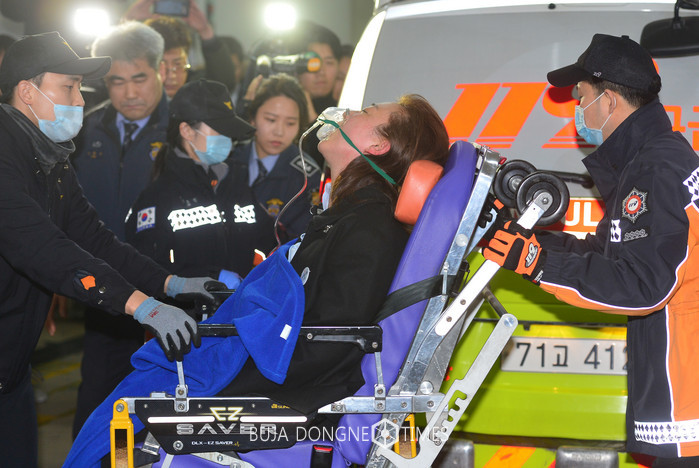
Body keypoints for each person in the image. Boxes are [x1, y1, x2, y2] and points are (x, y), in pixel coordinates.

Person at [64, 93, 451, 466]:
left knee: (125, 418)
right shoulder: (348, 218)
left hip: (284, 388)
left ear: (378, 145)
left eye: (365, 111)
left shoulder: (368, 229)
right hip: (267, 365)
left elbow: (327, 345)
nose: (346, 112)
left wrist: (233, 375)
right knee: (128, 404)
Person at [0, 31, 219, 468]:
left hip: (11, 372)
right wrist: (142, 307)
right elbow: (43, 248)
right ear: (27, 91)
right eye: (69, 86)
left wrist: (170, 284)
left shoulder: (50, 159)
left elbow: (95, 239)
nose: (80, 100)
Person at [483, 34, 699, 467]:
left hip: (686, 382)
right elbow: (608, 253)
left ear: (610, 100)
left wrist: (538, 263)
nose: (578, 110)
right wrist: (524, 238)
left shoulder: (654, 168)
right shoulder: (654, 159)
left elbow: (643, 286)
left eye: (581, 97)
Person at [70, 21, 170, 437]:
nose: (129, 92)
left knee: (158, 407)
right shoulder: (81, 129)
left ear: (161, 71)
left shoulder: (185, 131)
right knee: (98, 399)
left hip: (165, 293)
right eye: (117, 81)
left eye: (139, 78)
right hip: (103, 291)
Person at [125, 79, 274, 282]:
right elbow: (146, 268)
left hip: (243, 300)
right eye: (219, 129)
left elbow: (269, 240)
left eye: (228, 130)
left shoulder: (235, 183)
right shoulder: (159, 197)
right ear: (187, 131)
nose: (227, 138)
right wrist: (211, 277)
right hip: (188, 303)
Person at [232, 73, 320, 243]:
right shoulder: (229, 157)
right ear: (252, 118)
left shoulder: (306, 177)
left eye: (290, 123)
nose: (279, 132)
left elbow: (299, 242)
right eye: (271, 120)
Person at [126, 0, 238, 95]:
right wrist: (126, 25)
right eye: (161, 65)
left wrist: (205, 31)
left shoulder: (194, 94)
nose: (171, 76)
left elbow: (224, 83)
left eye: (178, 64)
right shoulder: (134, 100)